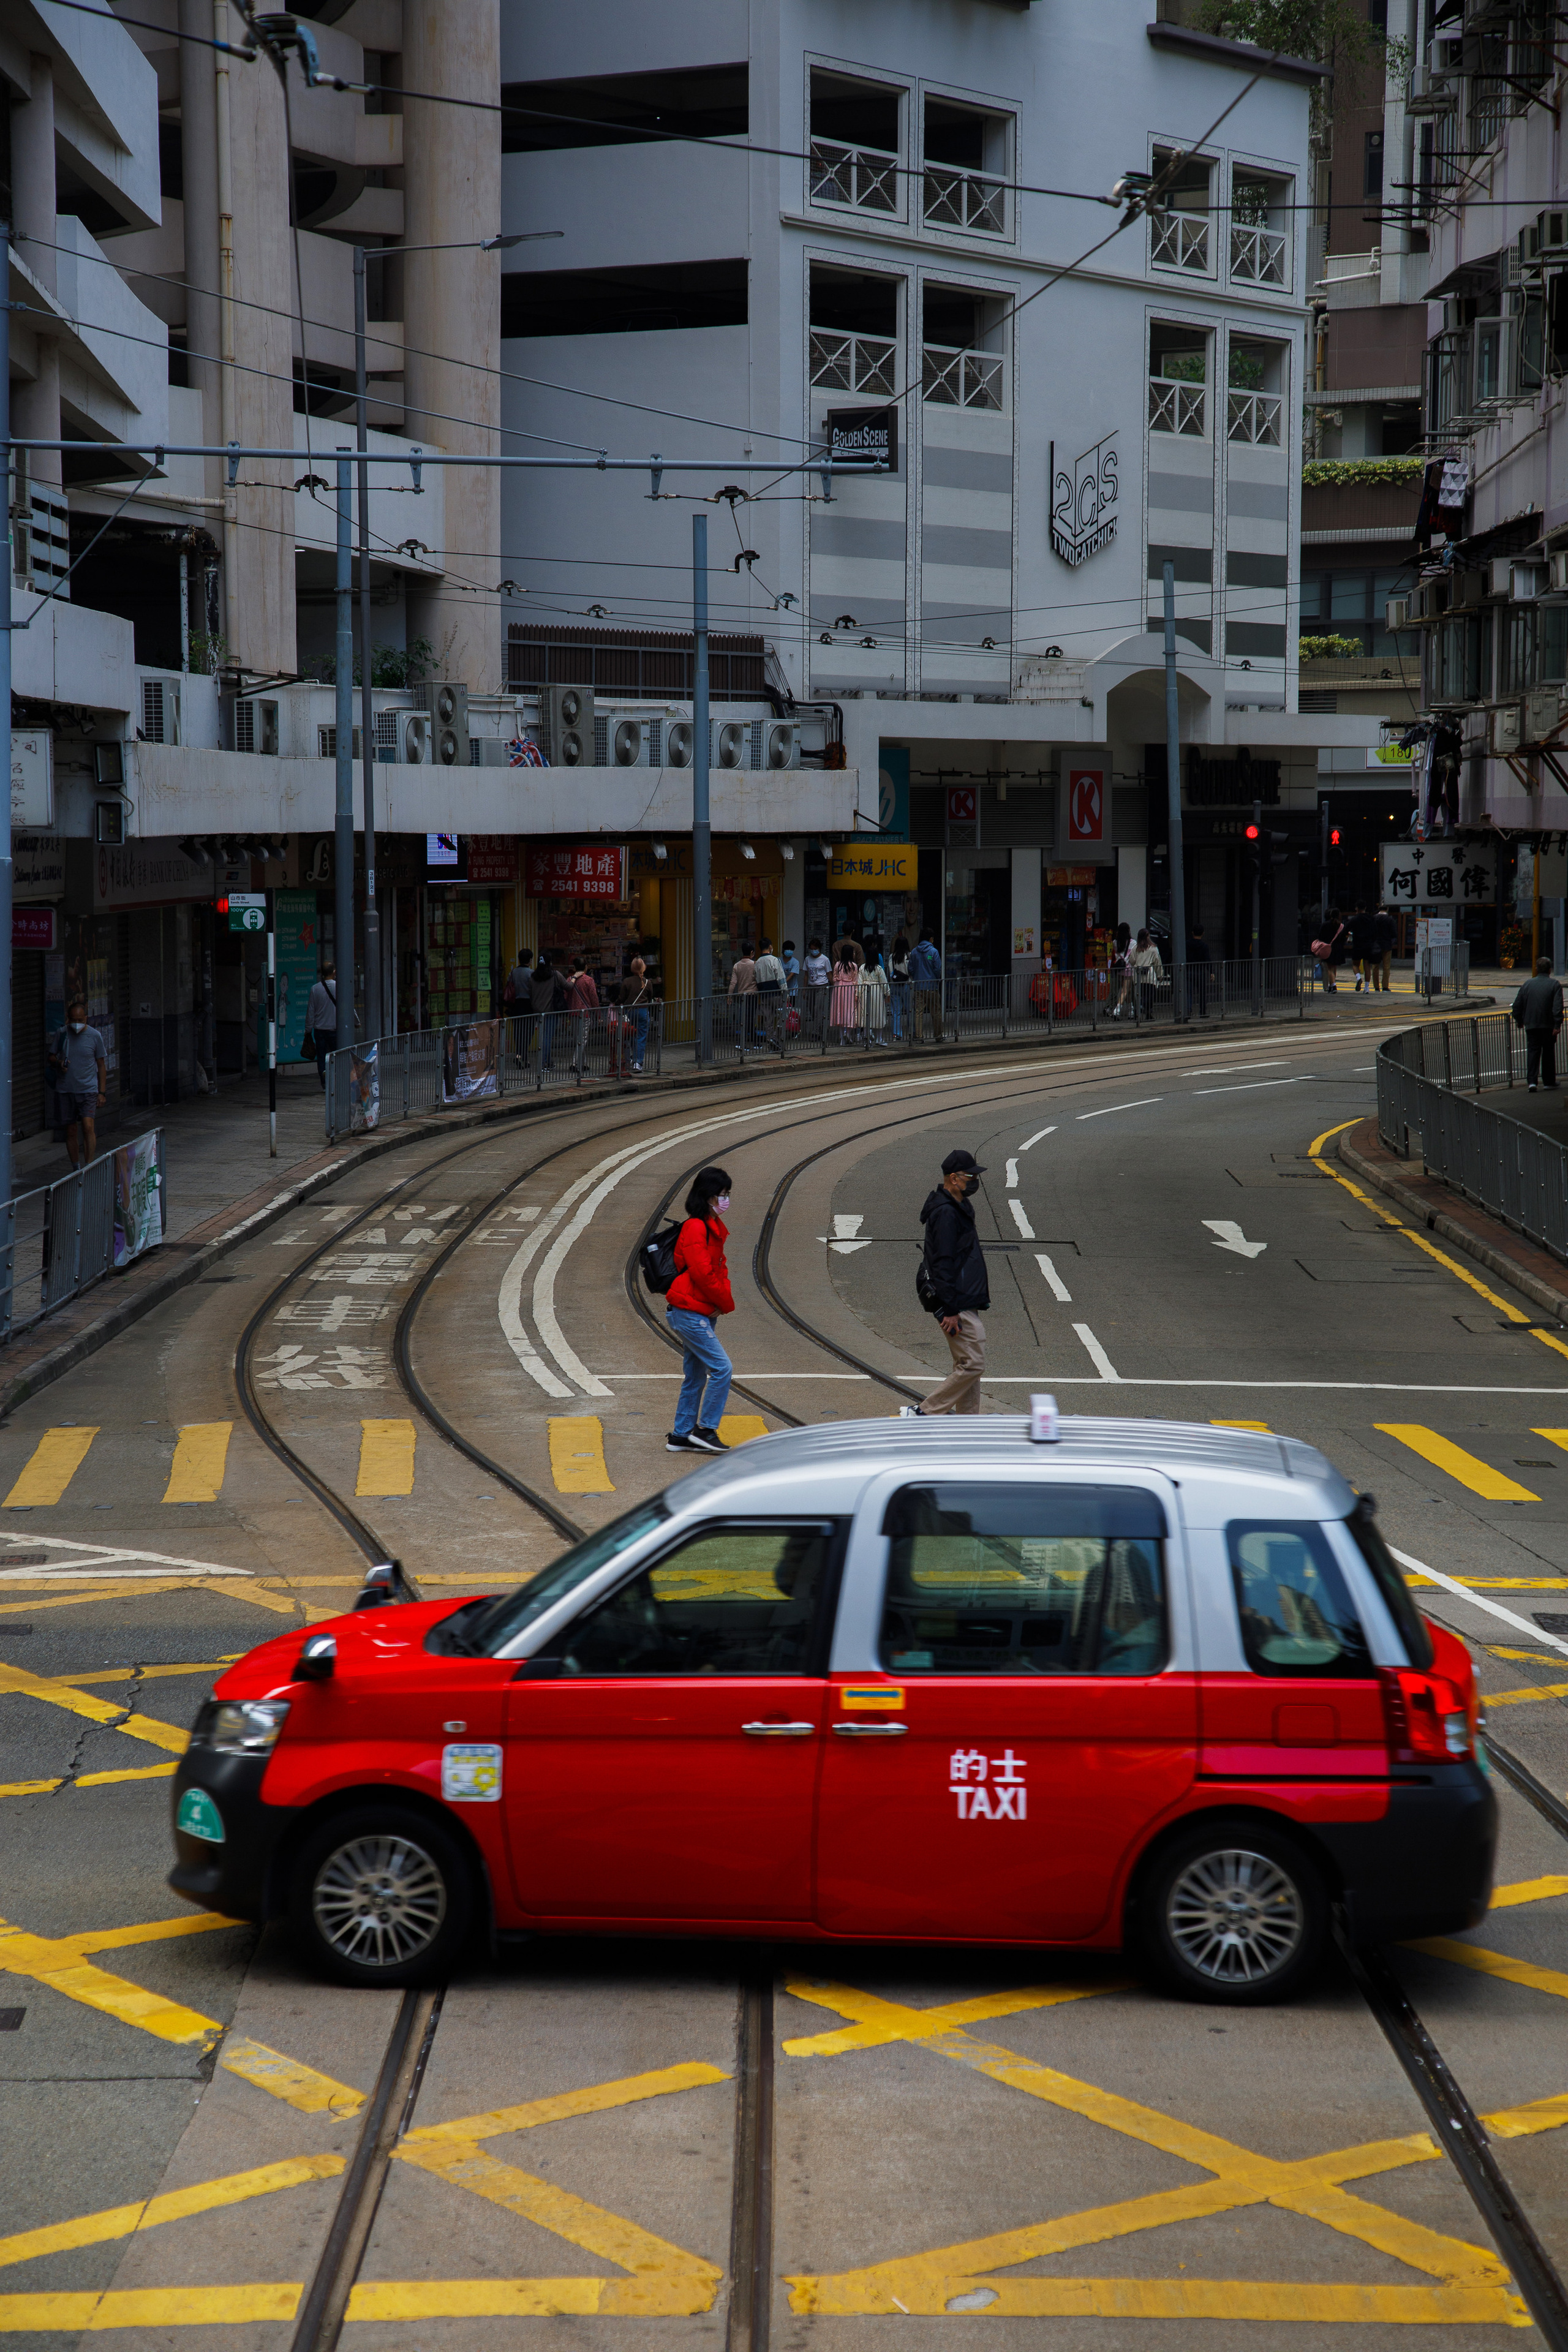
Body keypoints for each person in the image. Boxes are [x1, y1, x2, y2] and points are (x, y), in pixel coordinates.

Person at [905, 1148, 990, 1417]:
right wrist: (951, 1309)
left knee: (967, 1365)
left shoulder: (960, 1206)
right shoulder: (945, 1213)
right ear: (953, 1178)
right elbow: (942, 1263)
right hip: (956, 1300)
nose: (974, 1181)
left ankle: (967, 1424)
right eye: (969, 1176)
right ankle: (923, 1412)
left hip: (966, 1296)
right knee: (973, 1364)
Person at [665, 1165, 735, 1453]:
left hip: (699, 1310)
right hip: (689, 1312)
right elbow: (702, 1273)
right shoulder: (696, 1227)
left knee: (695, 1376)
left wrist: (718, 1303)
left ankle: (681, 1435)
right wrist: (723, 1303)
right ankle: (705, 1430)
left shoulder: (710, 1227)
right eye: (721, 1194)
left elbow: (720, 1269)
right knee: (722, 1369)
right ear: (707, 1196)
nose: (726, 1200)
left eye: (727, 1194)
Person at [51, 998, 108, 1166]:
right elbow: (51, 1057)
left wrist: (102, 1092)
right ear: (68, 1018)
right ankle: (76, 1167)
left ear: (86, 1018)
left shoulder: (95, 1036)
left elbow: (101, 1065)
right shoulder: (62, 1034)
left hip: (88, 1090)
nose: (77, 1024)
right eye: (74, 1020)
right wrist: (58, 1063)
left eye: (81, 1020)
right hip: (66, 1090)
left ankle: (89, 1165)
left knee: (88, 1127)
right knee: (71, 1130)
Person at [1512, 955, 1563, 1091]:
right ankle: (1548, 1082)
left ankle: (1532, 1082)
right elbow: (1557, 1007)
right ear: (1550, 970)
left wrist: (1519, 1021)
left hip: (1532, 1025)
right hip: (1548, 1025)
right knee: (1548, 1053)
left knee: (1533, 1052)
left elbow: (1517, 1006)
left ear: (1536, 969)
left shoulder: (1527, 984)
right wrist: (1557, 1025)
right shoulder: (1555, 985)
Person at [305, 964, 338, 1090]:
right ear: (334, 972)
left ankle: (324, 1083)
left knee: (321, 1056)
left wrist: (308, 1030)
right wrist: (356, 1022)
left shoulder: (315, 989)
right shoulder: (339, 987)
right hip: (334, 1029)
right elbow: (348, 1007)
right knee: (337, 1055)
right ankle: (335, 1080)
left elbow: (311, 1012)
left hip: (319, 1030)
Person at [908, 928, 942, 1041]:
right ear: (931, 939)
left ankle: (919, 1036)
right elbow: (938, 970)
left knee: (918, 1013)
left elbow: (911, 969)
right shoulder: (934, 952)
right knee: (936, 1012)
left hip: (918, 987)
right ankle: (938, 1036)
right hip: (932, 987)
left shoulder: (914, 952)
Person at [567, 957, 598, 1075]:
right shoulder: (589, 981)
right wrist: (598, 1013)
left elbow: (566, 996)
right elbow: (594, 998)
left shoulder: (570, 980)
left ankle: (583, 1063)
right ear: (586, 967)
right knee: (583, 1039)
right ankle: (575, 1063)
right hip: (585, 1013)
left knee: (579, 1039)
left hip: (573, 1013)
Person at [754, 937, 786, 1047]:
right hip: (776, 993)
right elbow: (781, 978)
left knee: (768, 1019)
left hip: (763, 994)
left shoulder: (757, 962)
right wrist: (785, 992)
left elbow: (756, 978)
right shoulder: (774, 960)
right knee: (783, 1016)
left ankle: (770, 1039)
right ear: (770, 946)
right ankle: (776, 1038)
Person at [728, 941, 758, 1052]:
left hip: (742, 996)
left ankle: (746, 1042)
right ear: (752, 953)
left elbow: (733, 983)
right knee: (750, 1019)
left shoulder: (737, 965)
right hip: (754, 995)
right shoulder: (755, 964)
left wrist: (730, 996)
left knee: (745, 1019)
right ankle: (754, 1042)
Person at [625, 954, 652, 1074]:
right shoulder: (648, 982)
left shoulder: (627, 981)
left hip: (630, 1012)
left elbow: (622, 997)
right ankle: (638, 1062)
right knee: (641, 1037)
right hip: (643, 1011)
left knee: (631, 1035)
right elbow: (650, 997)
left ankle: (632, 1058)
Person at [830, 941, 860, 1044]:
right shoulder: (854, 966)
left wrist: (839, 982)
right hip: (850, 989)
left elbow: (834, 978)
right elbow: (856, 980)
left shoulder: (838, 965)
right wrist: (856, 992)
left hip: (838, 989)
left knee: (840, 1011)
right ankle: (848, 1034)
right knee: (850, 1012)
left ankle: (842, 1038)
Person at [530, 954, 557, 1068]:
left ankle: (547, 1061)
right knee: (547, 1037)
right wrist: (574, 978)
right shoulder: (554, 975)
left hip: (537, 1010)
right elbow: (568, 986)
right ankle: (544, 1063)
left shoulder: (533, 976)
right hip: (551, 1011)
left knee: (543, 1036)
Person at [1131, 928, 1163, 1021]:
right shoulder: (1153, 948)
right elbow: (1158, 962)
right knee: (1150, 995)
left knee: (1140, 994)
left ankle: (1140, 1010)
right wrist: (1160, 975)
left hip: (1138, 975)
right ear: (1148, 936)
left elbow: (1132, 960)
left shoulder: (1135, 948)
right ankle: (1148, 1013)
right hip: (1150, 975)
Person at [803, 936, 831, 1039]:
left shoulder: (825, 960)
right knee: (812, 1009)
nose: (813, 951)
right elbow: (806, 975)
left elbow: (829, 974)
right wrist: (804, 989)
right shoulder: (807, 959)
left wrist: (832, 985)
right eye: (812, 949)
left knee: (818, 1009)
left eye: (815, 949)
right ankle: (821, 1027)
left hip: (822, 986)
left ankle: (816, 1032)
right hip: (811, 986)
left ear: (819, 949)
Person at [1314, 907, 1347, 993]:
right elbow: (1343, 938)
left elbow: (1320, 937)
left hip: (1328, 949)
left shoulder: (1325, 925)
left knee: (1329, 969)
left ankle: (1333, 986)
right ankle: (1333, 984)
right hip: (1338, 949)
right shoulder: (1341, 926)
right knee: (1334, 968)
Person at [862, 948, 891, 1044]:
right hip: (877, 992)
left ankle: (867, 1039)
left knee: (866, 1015)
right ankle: (879, 1039)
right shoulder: (879, 969)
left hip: (864, 992)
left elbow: (858, 982)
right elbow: (884, 983)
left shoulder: (862, 968)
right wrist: (887, 994)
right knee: (879, 1014)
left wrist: (857, 994)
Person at [1348, 903, 1377, 993]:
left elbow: (1346, 929)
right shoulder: (1371, 918)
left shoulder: (1355, 919)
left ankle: (1358, 978)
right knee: (1367, 966)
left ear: (1357, 908)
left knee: (1355, 964)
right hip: (1368, 945)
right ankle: (1367, 988)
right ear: (1365, 908)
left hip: (1357, 945)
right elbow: (1375, 931)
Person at [1186, 920, 1212, 1017]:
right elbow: (1207, 959)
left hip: (1189, 970)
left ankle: (1188, 1010)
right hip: (1200, 971)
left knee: (1189, 992)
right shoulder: (1204, 946)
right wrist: (1211, 972)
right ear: (1203, 933)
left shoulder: (1187, 944)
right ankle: (1203, 1011)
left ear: (1192, 932)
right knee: (1202, 992)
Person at [890, 933, 911, 1039]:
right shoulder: (909, 955)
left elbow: (890, 971)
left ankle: (897, 1034)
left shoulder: (892, 956)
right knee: (910, 1010)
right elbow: (911, 970)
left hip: (895, 985)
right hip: (907, 985)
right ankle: (912, 1032)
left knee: (896, 1012)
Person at [1372, 904, 1396, 993]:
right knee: (1386, 967)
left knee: (1375, 966)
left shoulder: (1374, 918)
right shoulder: (1390, 919)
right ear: (1387, 909)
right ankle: (1385, 987)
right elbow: (1394, 934)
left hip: (1376, 945)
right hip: (1387, 945)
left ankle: (1376, 987)